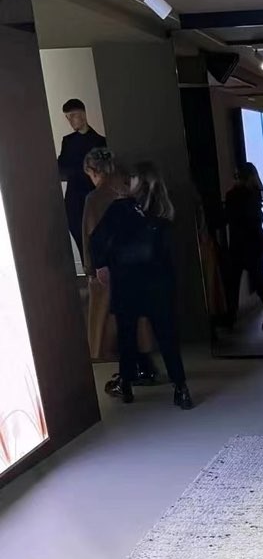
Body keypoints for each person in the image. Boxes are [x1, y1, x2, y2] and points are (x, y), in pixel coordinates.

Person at [90, 162, 193, 410]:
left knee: (127, 335)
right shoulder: (163, 211)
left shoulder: (121, 208)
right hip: (159, 281)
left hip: (127, 279)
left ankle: (125, 384)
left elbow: (97, 239)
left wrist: (102, 265)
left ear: (138, 182)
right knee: (167, 337)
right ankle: (181, 388)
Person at [81, 148, 157, 391]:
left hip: (109, 268)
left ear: (93, 171)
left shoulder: (94, 198)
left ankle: (127, 374)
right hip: (136, 265)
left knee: (114, 322)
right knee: (139, 318)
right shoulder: (126, 190)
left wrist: (91, 268)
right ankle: (145, 366)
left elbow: (90, 236)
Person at [224, 163, 263, 330]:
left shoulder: (234, 195)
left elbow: (228, 217)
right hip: (256, 242)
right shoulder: (255, 194)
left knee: (234, 281)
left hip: (241, 244)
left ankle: (231, 317)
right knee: (258, 279)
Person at [57, 99, 107, 257]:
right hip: (74, 199)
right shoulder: (68, 141)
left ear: (83, 115)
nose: (70, 121)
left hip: (93, 197)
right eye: (67, 117)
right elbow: (60, 168)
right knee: (79, 235)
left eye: (73, 115)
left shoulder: (100, 141)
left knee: (97, 237)